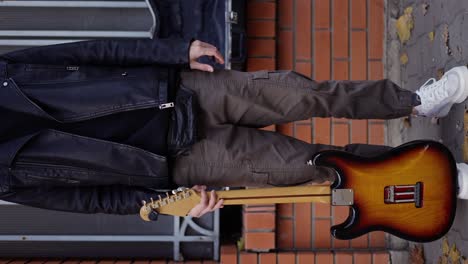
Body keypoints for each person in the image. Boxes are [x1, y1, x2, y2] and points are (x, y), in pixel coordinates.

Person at [0, 38, 467, 219]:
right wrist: (172, 207)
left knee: (308, 94)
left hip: (186, 90)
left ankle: (418, 102)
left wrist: (175, 52)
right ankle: (432, 174)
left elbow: (92, 54)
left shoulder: (5, 72)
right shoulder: (5, 177)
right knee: (317, 168)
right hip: (186, 162)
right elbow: (93, 200)